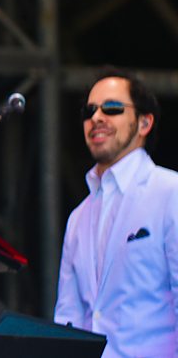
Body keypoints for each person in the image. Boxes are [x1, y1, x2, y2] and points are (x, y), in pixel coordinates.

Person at [55, 69, 177, 357]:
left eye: (111, 108)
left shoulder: (170, 192)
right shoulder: (78, 217)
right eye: (89, 111)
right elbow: (68, 318)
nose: (97, 117)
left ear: (144, 123)